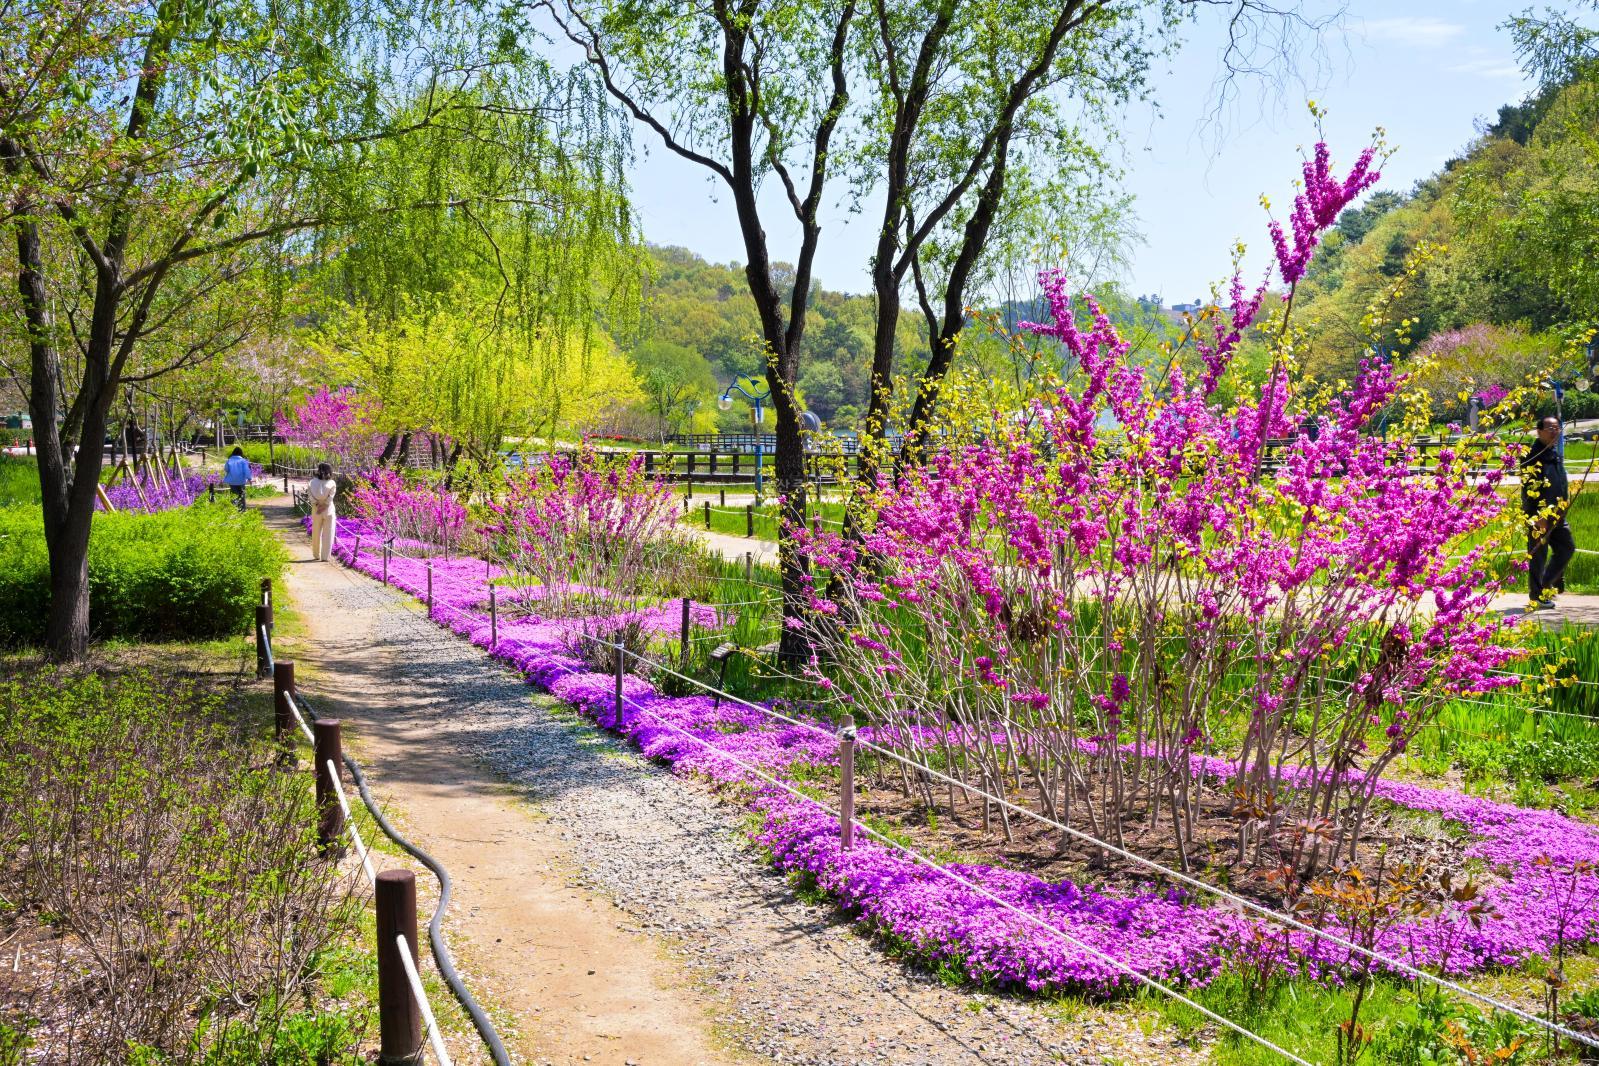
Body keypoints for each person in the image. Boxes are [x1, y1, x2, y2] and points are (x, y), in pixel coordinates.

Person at [1522, 415, 1576, 611]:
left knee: (1567, 548)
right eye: (1550, 428)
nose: (1554, 431)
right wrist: (1538, 516)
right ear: (1539, 431)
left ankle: (1545, 585)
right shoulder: (1533, 455)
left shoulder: (1553, 452)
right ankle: (1537, 596)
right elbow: (1528, 488)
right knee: (1538, 556)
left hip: (1558, 515)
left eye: (1557, 428)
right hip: (1539, 516)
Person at [307, 463, 338, 562]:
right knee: (329, 533)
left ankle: (316, 554)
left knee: (316, 532)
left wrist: (317, 505)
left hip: (316, 510)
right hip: (328, 510)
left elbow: (310, 496)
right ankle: (325, 556)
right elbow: (330, 497)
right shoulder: (332, 482)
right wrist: (324, 505)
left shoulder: (311, 482)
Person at [221, 446, 252, 512]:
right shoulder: (243, 461)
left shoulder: (229, 460)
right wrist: (249, 478)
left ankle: (233, 509)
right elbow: (246, 470)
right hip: (241, 481)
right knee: (242, 494)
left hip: (232, 481)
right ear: (241, 453)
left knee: (234, 494)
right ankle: (242, 509)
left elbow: (226, 469)